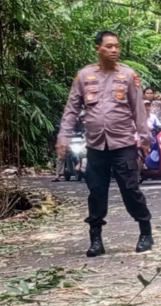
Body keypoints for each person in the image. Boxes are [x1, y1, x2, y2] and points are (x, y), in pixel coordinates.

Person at [57, 31, 154, 257]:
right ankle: (96, 240)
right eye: (109, 46)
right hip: (96, 146)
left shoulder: (128, 75)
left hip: (123, 144)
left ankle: (145, 232)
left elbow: (138, 109)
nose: (114, 50)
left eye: (117, 46)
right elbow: (71, 109)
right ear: (98, 48)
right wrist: (63, 137)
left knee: (130, 189)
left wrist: (145, 138)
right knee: (96, 192)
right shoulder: (84, 76)